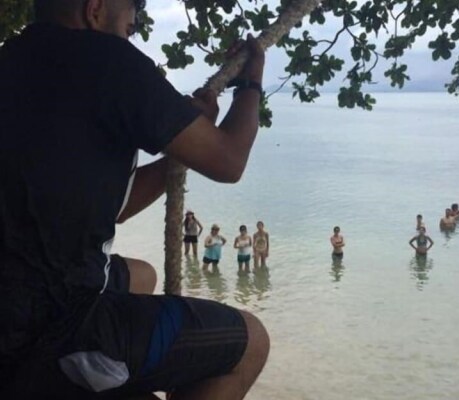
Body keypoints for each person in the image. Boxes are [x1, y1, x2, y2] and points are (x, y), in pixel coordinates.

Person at [0, 1, 269, 398]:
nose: (135, 24)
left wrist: (181, 151)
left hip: (13, 298)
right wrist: (250, 83)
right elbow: (229, 161)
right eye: (132, 13)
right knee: (251, 341)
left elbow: (115, 207)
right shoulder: (109, 61)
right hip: (54, 324)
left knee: (142, 275)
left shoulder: (11, 58)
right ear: (95, 9)